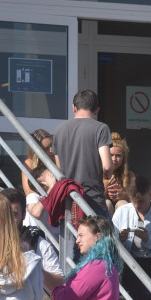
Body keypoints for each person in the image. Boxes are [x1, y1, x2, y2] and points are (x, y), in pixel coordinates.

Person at [52, 90, 114, 218]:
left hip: (68, 200)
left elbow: (59, 169)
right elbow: (107, 167)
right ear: (97, 110)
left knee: (75, 237)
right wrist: (109, 174)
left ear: (74, 107)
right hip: (92, 199)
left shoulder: (58, 130)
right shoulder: (101, 129)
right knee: (101, 237)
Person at [112, 175, 151, 300]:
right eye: (133, 201)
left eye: (140, 201)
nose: (136, 205)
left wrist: (148, 240)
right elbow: (112, 244)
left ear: (150, 195)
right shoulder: (123, 211)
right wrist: (121, 239)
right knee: (132, 270)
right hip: (131, 261)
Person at [104, 132, 136, 215]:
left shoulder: (129, 176)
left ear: (123, 158)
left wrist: (124, 195)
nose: (114, 159)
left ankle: (123, 229)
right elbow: (92, 199)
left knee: (122, 203)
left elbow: (137, 200)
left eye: (118, 156)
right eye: (111, 155)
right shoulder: (97, 174)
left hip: (122, 215)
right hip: (103, 219)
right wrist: (105, 186)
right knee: (106, 203)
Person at [21, 128, 54, 197]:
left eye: (52, 145)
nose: (51, 150)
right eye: (46, 148)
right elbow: (29, 192)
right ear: (36, 151)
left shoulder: (57, 160)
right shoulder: (29, 163)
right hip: (39, 202)